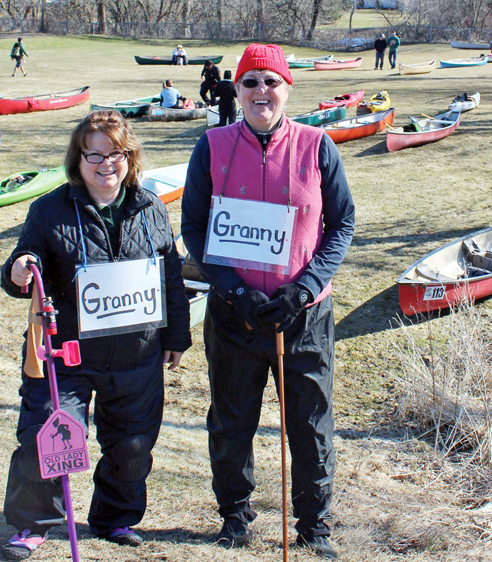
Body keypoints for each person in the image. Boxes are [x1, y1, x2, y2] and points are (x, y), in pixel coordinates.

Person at [180, 43, 355, 560]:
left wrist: (303, 288)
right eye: (250, 82)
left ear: (287, 89)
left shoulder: (317, 145)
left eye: (270, 82)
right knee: (231, 420)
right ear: (236, 89)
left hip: (304, 314)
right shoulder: (211, 146)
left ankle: (314, 526)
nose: (261, 91)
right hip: (235, 316)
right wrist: (233, 289)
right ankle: (234, 516)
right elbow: (193, 227)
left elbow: (341, 223)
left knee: (309, 423)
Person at [0, 109, 191, 561]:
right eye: (95, 155)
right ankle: (34, 522)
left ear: (131, 157)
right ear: (78, 160)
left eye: (117, 154)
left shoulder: (151, 209)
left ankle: (115, 517)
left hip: (136, 352)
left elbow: (171, 277)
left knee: (133, 443)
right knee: (45, 435)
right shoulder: (49, 209)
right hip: (66, 354)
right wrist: (19, 270)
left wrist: (176, 338)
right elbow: (24, 261)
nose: (107, 164)